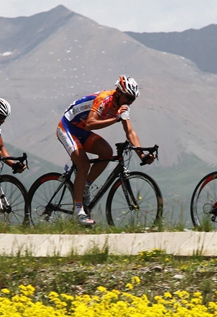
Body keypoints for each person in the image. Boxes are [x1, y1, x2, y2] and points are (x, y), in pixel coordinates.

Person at [56, 75, 154, 226]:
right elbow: (90, 123)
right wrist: (116, 119)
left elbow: (130, 132)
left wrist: (142, 154)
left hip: (81, 131)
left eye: (132, 100)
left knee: (107, 153)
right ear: (119, 93)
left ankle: (85, 186)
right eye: (128, 97)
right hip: (68, 127)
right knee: (83, 164)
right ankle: (79, 212)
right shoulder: (104, 99)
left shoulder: (123, 107)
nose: (129, 102)